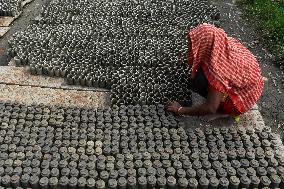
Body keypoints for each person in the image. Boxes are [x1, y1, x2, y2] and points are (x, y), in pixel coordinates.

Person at [167, 23, 264, 119]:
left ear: (205, 45)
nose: (190, 48)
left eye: (192, 45)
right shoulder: (220, 42)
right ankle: (218, 97)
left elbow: (210, 108)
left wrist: (180, 109)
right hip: (249, 82)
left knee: (199, 82)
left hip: (242, 99)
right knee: (201, 74)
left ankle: (224, 111)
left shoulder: (219, 72)